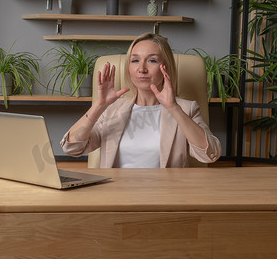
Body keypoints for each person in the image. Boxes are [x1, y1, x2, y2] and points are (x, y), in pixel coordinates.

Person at [60, 32, 222, 168]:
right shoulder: (111, 109)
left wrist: (173, 107)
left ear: (165, 67)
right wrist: (98, 106)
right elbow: (71, 147)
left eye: (152, 60)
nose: (141, 69)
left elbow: (209, 155)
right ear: (128, 68)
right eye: (135, 60)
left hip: (166, 197)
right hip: (116, 196)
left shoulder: (186, 108)